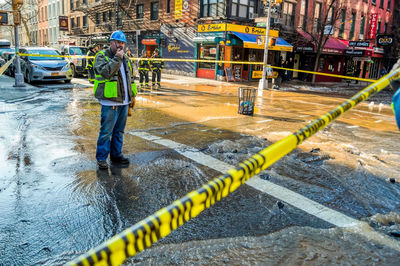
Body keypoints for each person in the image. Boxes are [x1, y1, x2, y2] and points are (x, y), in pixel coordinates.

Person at [93, 30, 138, 170]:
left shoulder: (126, 58)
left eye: (123, 43)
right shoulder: (102, 56)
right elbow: (105, 72)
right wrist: (117, 58)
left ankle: (116, 156)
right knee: (106, 132)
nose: (121, 45)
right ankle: (101, 159)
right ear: (111, 43)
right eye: (118, 42)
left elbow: (130, 79)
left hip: (124, 101)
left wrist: (132, 97)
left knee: (119, 131)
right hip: (110, 101)